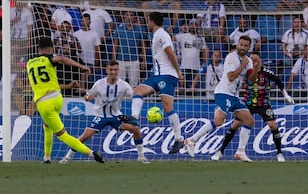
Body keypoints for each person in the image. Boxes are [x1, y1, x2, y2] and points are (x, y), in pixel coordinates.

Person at [26, 36, 104, 163]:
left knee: (63, 135)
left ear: (38, 49)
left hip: (44, 103)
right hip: (57, 98)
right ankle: (46, 157)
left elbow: (40, 84)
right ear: (51, 48)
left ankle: (91, 153)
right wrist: (81, 67)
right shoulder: (50, 59)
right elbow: (61, 59)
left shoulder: (29, 64)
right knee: (47, 126)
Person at [184, 35, 261, 161]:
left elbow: (252, 80)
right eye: (241, 44)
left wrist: (255, 67)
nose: (242, 47)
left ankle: (240, 152)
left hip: (234, 96)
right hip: (223, 92)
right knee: (219, 121)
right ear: (237, 44)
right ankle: (191, 140)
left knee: (249, 121)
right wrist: (243, 65)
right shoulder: (231, 57)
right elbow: (231, 77)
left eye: (245, 46)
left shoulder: (248, 60)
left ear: (249, 47)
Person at [211, 52, 294, 162]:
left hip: (263, 104)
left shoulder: (266, 72)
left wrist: (285, 95)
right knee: (235, 125)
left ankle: (279, 153)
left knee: (273, 126)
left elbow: (278, 80)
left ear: (260, 60)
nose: (253, 62)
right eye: (252, 59)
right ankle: (220, 151)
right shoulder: (246, 71)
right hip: (248, 103)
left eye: (255, 59)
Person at [59, 60, 148, 164]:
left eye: (115, 70)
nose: (113, 72)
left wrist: (140, 98)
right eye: (111, 70)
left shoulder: (124, 85)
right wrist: (88, 97)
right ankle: (67, 157)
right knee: (84, 137)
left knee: (136, 129)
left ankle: (141, 157)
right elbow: (88, 96)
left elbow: (134, 96)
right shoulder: (99, 84)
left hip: (116, 116)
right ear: (107, 70)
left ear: (118, 70)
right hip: (100, 116)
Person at [131, 12, 185, 155]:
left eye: (148, 21)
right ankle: (134, 120)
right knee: (137, 92)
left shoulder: (161, 34)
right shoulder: (158, 35)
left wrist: (178, 72)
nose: (147, 24)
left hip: (167, 75)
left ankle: (179, 139)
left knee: (167, 106)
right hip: (158, 75)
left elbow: (171, 53)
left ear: (152, 22)